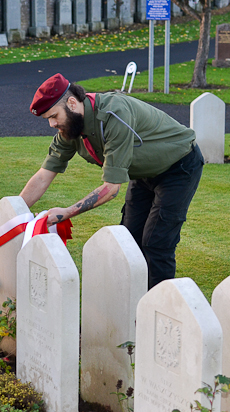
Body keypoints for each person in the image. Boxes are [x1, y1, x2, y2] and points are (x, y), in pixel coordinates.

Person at [21, 73, 204, 289]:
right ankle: (131, 308)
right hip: (142, 173)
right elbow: (43, 175)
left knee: (156, 243)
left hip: (178, 167)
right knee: (128, 242)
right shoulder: (70, 128)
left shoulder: (114, 114)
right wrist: (14, 214)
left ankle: (157, 310)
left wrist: (67, 212)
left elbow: (110, 189)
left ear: (72, 103)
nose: (52, 124)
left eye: (54, 116)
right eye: (48, 119)